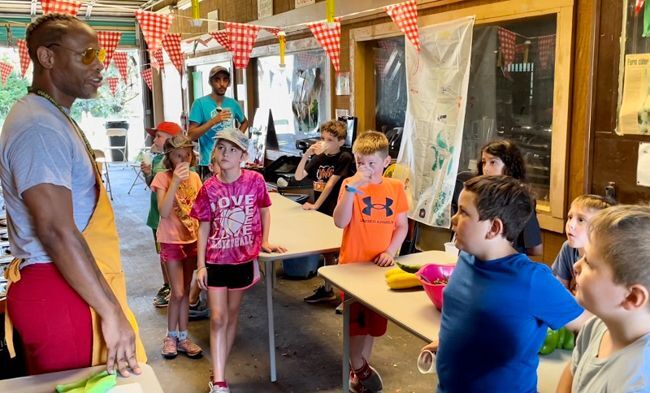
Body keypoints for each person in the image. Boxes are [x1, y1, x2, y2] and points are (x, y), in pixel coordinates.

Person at [0, 13, 145, 376]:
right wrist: (111, 313)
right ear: (47, 57)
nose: (99, 67)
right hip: (59, 290)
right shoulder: (37, 127)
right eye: (86, 55)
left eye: (99, 55)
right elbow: (55, 231)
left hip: (74, 283)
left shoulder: (51, 116)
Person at [422, 175, 588, 392]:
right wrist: (446, 342)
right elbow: (465, 314)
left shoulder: (533, 280)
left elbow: (589, 324)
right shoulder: (465, 258)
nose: (453, 218)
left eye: (463, 212)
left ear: (494, 228)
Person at [191, 128, 286, 393]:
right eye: (221, 147)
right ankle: (219, 380)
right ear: (214, 152)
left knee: (231, 316)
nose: (226, 154)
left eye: (233, 149)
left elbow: (265, 210)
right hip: (216, 261)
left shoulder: (255, 181)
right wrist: (200, 265)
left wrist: (264, 241)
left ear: (244, 155)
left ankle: (219, 366)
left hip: (243, 259)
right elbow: (203, 228)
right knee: (218, 317)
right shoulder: (209, 188)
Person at [333, 131, 409, 393]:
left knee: (372, 327)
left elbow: (401, 226)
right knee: (355, 325)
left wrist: (390, 250)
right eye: (359, 163)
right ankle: (359, 367)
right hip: (352, 270)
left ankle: (359, 370)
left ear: (386, 161)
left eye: (371, 164)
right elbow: (340, 221)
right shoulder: (348, 186)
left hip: (380, 269)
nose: (364, 169)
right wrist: (352, 190)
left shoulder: (395, 188)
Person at [556, 205, 650, 392]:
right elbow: (573, 372)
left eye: (589, 262)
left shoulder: (638, 383)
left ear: (631, 297)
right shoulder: (596, 326)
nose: (575, 265)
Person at [151, 135, 203, 359]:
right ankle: (170, 336)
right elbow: (163, 212)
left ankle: (183, 337)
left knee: (186, 291)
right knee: (178, 291)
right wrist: (175, 182)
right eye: (178, 155)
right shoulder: (162, 178)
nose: (183, 159)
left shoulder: (195, 177)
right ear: (169, 157)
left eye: (187, 154)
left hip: (191, 239)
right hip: (171, 240)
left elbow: (201, 208)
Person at [295, 120, 353, 303]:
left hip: (334, 209)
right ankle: (328, 290)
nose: (324, 142)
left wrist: (316, 205)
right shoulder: (320, 158)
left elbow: (330, 184)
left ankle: (346, 295)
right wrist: (307, 155)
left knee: (340, 252)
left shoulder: (344, 157)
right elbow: (298, 176)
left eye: (329, 139)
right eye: (322, 138)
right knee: (327, 252)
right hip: (322, 210)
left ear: (341, 142)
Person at [142, 121, 183, 308]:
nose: (154, 139)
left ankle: (177, 286)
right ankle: (167, 285)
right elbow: (152, 186)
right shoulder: (158, 160)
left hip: (173, 218)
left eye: (159, 135)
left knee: (176, 253)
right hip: (156, 215)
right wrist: (148, 174)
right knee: (162, 254)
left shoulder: (181, 163)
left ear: (171, 140)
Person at [477, 139, 543, 256]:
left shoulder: (521, 200)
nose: (485, 169)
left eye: (493, 162)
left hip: (509, 265)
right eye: (483, 162)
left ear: (509, 167)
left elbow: (535, 249)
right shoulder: (478, 196)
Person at [188, 66, 248, 179]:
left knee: (230, 195)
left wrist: (236, 138)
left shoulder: (233, 104)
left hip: (231, 162)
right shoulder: (199, 104)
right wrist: (214, 121)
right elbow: (191, 135)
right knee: (209, 195)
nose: (221, 83)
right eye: (217, 79)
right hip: (208, 162)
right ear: (210, 82)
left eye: (225, 79)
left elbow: (244, 122)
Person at [551, 194, 616, 292]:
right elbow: (558, 289)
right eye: (570, 217)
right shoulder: (568, 248)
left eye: (581, 220)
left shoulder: (607, 259)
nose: (571, 225)